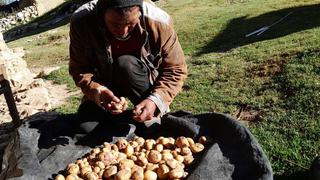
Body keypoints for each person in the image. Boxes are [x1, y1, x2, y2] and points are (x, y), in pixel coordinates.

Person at [69, 0, 187, 132]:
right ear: (102, 15)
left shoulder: (159, 22)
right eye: (115, 24)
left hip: (140, 82)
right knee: (86, 130)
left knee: (125, 65)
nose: (123, 31)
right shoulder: (82, 22)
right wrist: (98, 91)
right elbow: (79, 68)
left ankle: (148, 109)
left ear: (139, 13)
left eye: (130, 24)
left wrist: (155, 100)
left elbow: (175, 69)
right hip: (103, 82)